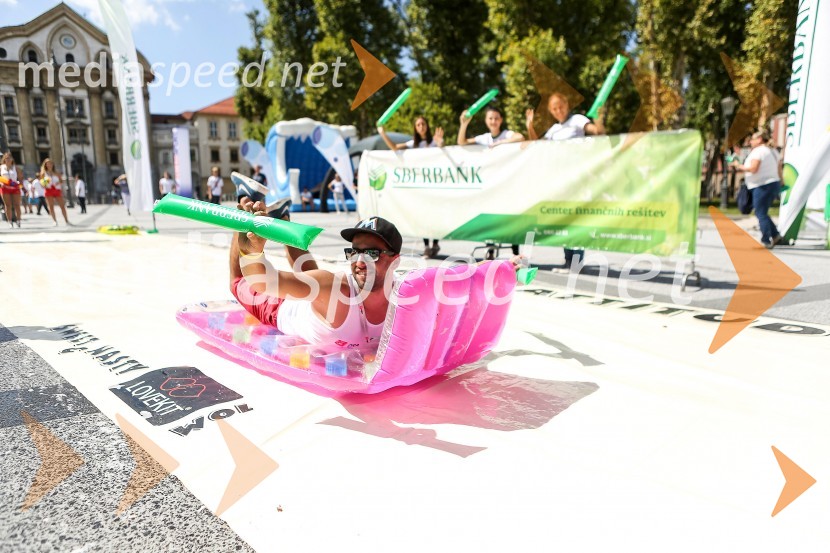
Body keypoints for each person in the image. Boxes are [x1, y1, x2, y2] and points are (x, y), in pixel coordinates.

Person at [230, 199, 402, 345]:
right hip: (282, 307)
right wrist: (250, 252)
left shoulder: (404, 297)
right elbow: (263, 281)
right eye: (354, 252)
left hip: (320, 302)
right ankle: (246, 199)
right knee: (236, 282)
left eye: (372, 254)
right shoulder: (335, 289)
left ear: (395, 261)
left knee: (313, 277)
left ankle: (283, 220)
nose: (359, 262)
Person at [526, 93, 605, 270]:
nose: (558, 111)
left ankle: (577, 260)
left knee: (577, 218)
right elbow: (538, 144)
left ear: (567, 104)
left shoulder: (578, 120)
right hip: (561, 180)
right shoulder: (554, 129)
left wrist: (599, 118)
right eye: (554, 109)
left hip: (578, 177)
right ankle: (568, 259)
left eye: (560, 106)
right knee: (565, 217)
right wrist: (529, 125)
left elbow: (597, 132)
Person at [459, 106, 525, 259]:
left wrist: (501, 143)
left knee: (509, 216)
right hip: (490, 185)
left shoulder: (506, 134)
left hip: (507, 183)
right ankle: (490, 249)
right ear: (486, 120)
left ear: (501, 120)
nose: (493, 121)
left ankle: (516, 253)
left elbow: (520, 137)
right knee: (489, 215)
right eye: (490, 118)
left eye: (496, 118)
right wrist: (464, 124)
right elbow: (461, 142)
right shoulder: (484, 138)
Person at [378, 116, 445, 258]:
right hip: (421, 187)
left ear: (427, 126)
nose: (421, 126)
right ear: (415, 128)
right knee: (424, 216)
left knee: (435, 215)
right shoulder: (413, 144)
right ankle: (427, 246)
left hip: (434, 186)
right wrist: (383, 133)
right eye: (418, 124)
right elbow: (395, 148)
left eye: (423, 124)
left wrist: (441, 144)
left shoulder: (433, 142)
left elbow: (442, 155)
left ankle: (435, 243)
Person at [731, 130, 783, 248]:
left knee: (760, 213)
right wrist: (781, 182)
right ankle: (775, 235)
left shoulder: (758, 151)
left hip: (762, 185)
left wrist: (738, 166)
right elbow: (779, 169)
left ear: (759, 139)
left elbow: (754, 169)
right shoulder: (773, 151)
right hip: (773, 184)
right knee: (762, 211)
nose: (751, 141)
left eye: (753, 139)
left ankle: (766, 240)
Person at [40, 158, 70, 226]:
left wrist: (58, 182)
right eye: (48, 163)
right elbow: (41, 183)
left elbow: (61, 181)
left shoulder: (56, 173)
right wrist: (45, 184)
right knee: (51, 206)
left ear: (53, 164)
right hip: (48, 190)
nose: (49, 165)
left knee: (62, 206)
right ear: (45, 165)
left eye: (51, 163)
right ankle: (54, 221)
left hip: (56, 190)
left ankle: (66, 220)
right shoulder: (43, 173)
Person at [1, 151, 23, 228]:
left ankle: (19, 220)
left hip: (15, 187)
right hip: (5, 188)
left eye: (9, 158)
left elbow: (20, 179)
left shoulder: (16, 168)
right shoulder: (1, 167)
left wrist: (20, 186)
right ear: (4, 159)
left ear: (12, 159)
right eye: (6, 158)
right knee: (7, 205)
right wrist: (1, 183)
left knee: (17, 205)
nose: (8, 160)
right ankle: (10, 222)